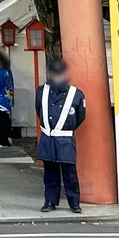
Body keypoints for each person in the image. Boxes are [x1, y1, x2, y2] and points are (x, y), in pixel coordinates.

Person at [36, 59, 86, 214]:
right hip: (48, 136)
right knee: (50, 172)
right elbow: (39, 110)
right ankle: (50, 200)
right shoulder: (41, 91)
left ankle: (74, 203)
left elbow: (80, 116)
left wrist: (64, 128)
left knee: (69, 172)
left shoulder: (76, 94)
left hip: (65, 138)